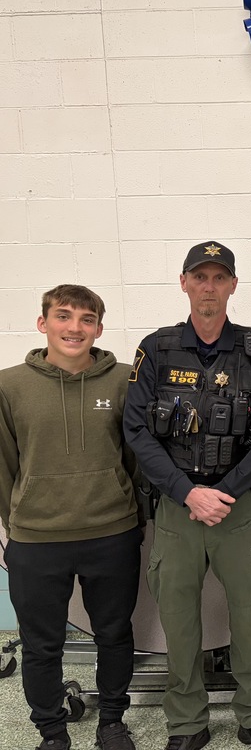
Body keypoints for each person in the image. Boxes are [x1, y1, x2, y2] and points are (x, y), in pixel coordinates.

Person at [123, 242, 251, 750]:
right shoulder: (155, 349)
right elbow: (136, 429)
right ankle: (187, 724)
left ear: (234, 286)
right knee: (178, 622)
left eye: (220, 278)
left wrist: (223, 491)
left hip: (236, 508)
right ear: (183, 283)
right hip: (177, 509)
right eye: (200, 277)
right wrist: (186, 492)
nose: (209, 288)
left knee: (249, 619)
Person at [0, 285, 143, 750]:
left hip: (112, 532)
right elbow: (2, 464)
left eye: (86, 319)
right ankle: (52, 731)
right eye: (63, 316)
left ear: (99, 328)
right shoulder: (9, 385)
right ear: (43, 324)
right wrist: (17, 519)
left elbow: (136, 457)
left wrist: (132, 513)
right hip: (36, 539)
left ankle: (112, 722)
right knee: (42, 646)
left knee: (115, 634)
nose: (74, 328)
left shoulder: (124, 380)